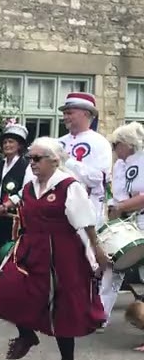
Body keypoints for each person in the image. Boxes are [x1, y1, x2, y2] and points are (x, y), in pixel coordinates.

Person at [0, 137, 111, 360]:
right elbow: (17, 203)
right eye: (30, 158)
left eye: (37, 158)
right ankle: (26, 333)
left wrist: (97, 250)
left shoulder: (68, 186)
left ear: (54, 160)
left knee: (62, 306)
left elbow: (86, 222)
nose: (31, 163)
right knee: (6, 289)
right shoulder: (30, 186)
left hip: (62, 251)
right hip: (31, 247)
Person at [55, 93, 114, 323]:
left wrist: (67, 161)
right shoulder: (58, 141)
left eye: (71, 111)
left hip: (87, 208)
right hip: (59, 209)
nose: (66, 116)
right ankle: (65, 307)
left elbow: (98, 178)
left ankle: (92, 310)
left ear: (87, 114)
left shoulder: (98, 142)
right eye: (65, 112)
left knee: (88, 260)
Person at [100, 122, 144, 349]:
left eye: (116, 144)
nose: (114, 148)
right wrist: (115, 207)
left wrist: (124, 205)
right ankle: (99, 315)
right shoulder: (118, 166)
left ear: (128, 144)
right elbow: (116, 194)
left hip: (141, 218)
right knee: (112, 265)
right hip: (125, 221)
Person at [0, 122, 29, 271]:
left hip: (12, 219)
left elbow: (26, 190)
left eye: (11, 142)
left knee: (9, 252)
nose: (7, 145)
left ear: (19, 145)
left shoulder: (26, 166)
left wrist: (5, 206)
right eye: (5, 142)